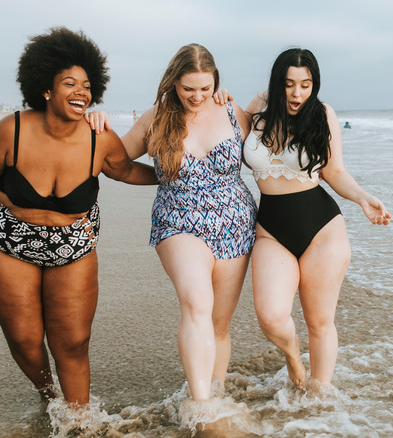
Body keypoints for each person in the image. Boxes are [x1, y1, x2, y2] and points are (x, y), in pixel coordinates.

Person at [0, 27, 157, 407]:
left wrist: (172, 174)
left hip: (73, 246)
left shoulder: (100, 139)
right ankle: (51, 397)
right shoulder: (10, 131)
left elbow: (127, 171)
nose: (81, 91)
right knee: (25, 341)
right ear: (46, 89)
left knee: (74, 341)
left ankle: (79, 420)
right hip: (9, 242)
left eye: (86, 85)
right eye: (69, 83)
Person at [88, 44, 256, 402]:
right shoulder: (157, 117)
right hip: (177, 219)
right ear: (173, 83)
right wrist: (98, 125)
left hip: (235, 222)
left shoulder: (232, 111)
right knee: (196, 303)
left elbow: (272, 142)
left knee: (219, 324)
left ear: (216, 83)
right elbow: (116, 161)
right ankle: (201, 406)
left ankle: (218, 391)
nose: (197, 96)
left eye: (205, 88)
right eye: (188, 88)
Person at [243, 48, 391, 391]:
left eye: (306, 85)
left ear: (315, 85)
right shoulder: (258, 111)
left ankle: (318, 399)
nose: (297, 94)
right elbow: (219, 122)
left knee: (320, 321)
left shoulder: (322, 114)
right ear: (277, 83)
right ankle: (293, 356)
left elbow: (334, 171)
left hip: (321, 229)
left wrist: (362, 198)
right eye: (290, 84)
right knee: (270, 315)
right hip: (270, 232)